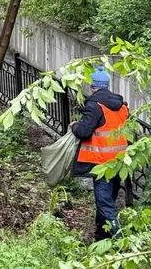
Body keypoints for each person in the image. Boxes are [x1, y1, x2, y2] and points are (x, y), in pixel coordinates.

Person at [70, 67, 129, 240]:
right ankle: (101, 235)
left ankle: (120, 240)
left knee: (104, 202)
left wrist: (74, 125)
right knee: (108, 199)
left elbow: (83, 132)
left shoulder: (95, 106)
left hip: (102, 163)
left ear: (93, 86)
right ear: (107, 86)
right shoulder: (122, 106)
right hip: (119, 162)